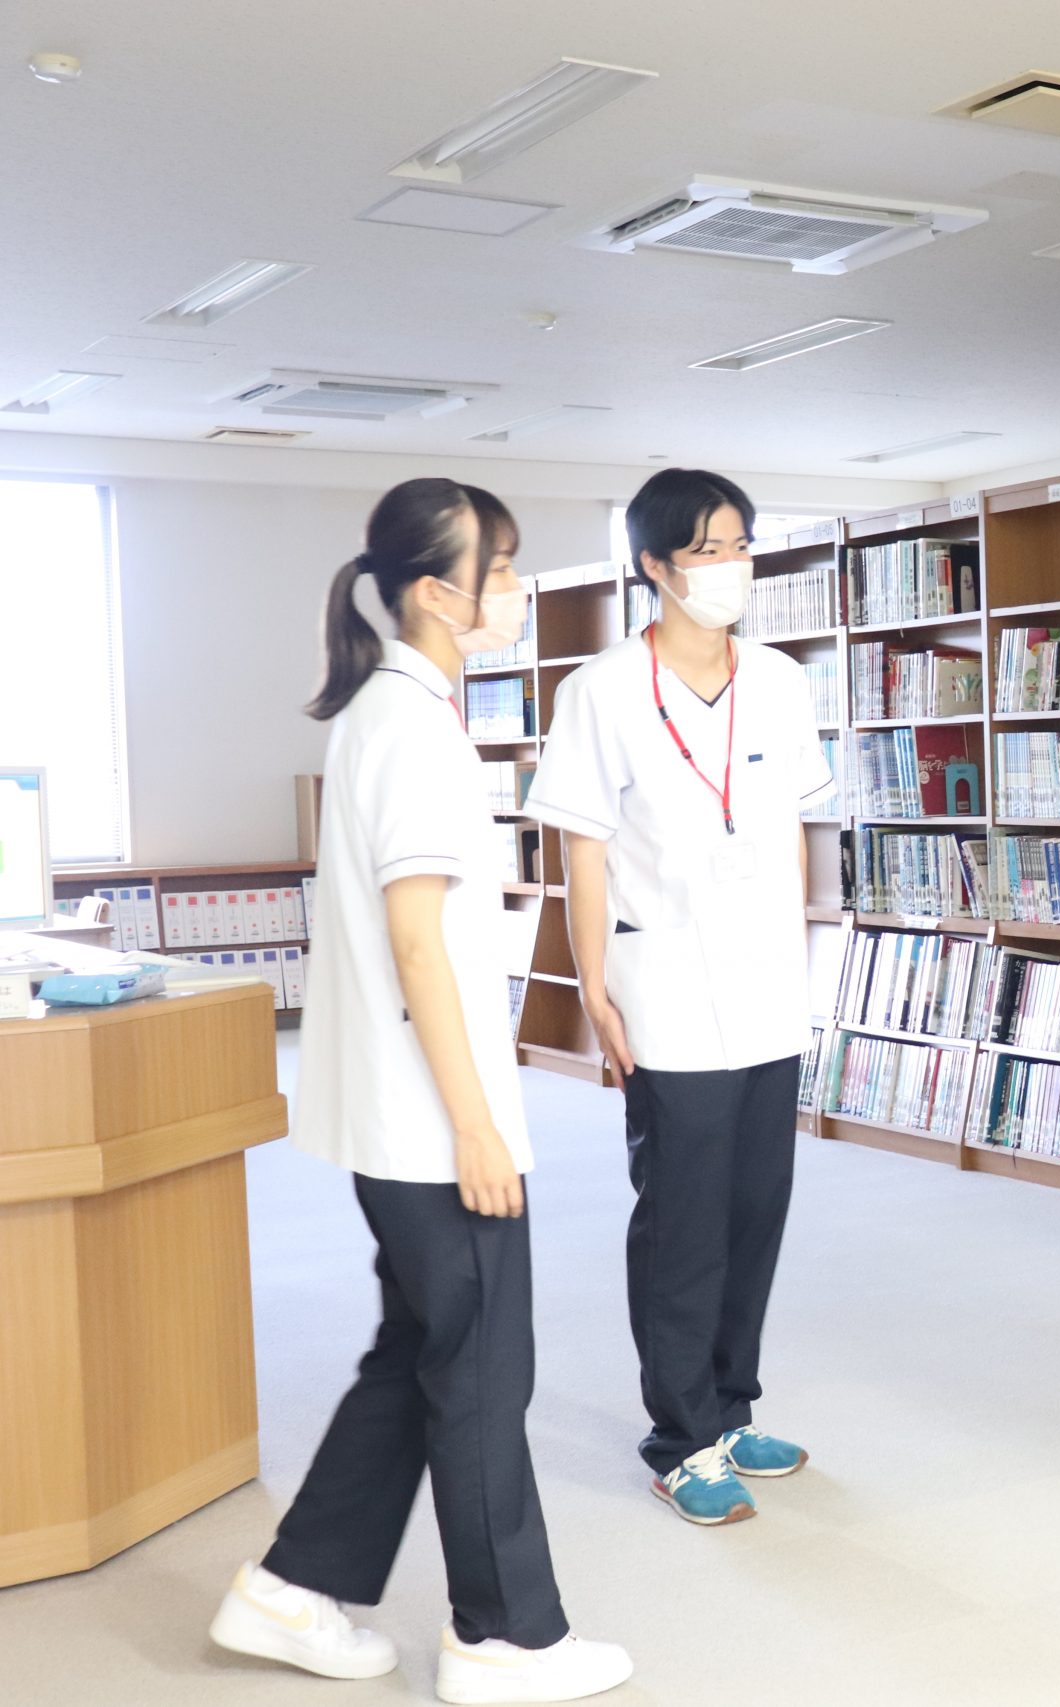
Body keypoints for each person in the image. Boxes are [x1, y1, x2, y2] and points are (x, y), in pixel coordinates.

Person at [209, 478, 633, 1703]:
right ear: (439, 593)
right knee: (486, 1366)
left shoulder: (396, 712)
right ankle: (503, 1639)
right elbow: (415, 947)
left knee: (424, 1350)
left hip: (402, 1118)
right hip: (433, 1125)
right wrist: (479, 1129)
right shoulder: (410, 728)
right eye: (500, 570)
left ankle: (291, 1590)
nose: (516, 588)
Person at [525, 469, 832, 1526]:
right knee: (683, 1221)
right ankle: (679, 1437)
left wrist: (801, 953)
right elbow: (583, 850)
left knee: (755, 1211)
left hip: (767, 986)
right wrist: (595, 987)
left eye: (741, 544)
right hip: (661, 984)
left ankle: (732, 1409)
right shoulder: (602, 690)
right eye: (706, 549)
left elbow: (793, 830)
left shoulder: (780, 680)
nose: (730, 566)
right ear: (654, 565)